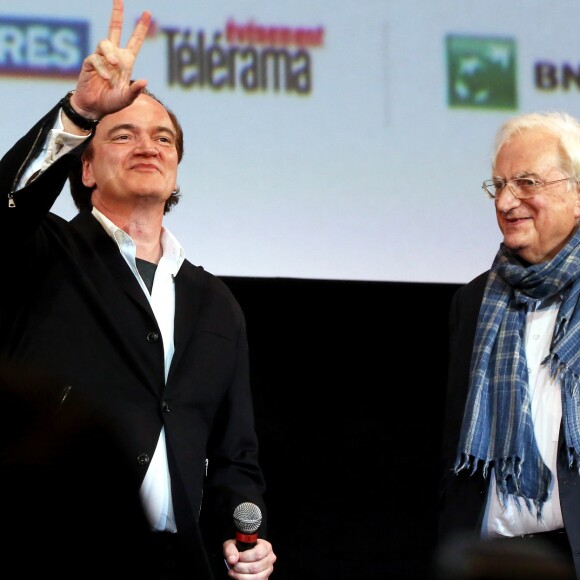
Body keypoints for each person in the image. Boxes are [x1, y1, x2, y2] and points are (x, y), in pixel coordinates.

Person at [0, 0, 277, 578]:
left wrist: (240, 531)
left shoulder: (215, 302)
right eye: (122, 134)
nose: (148, 147)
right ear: (86, 167)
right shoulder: (44, 251)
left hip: (180, 563)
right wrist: (79, 111)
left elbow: (234, 455)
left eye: (163, 139)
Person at [438, 110, 580, 579]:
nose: (505, 201)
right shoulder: (474, 300)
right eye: (497, 185)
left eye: (526, 182)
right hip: (491, 558)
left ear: (576, 193)